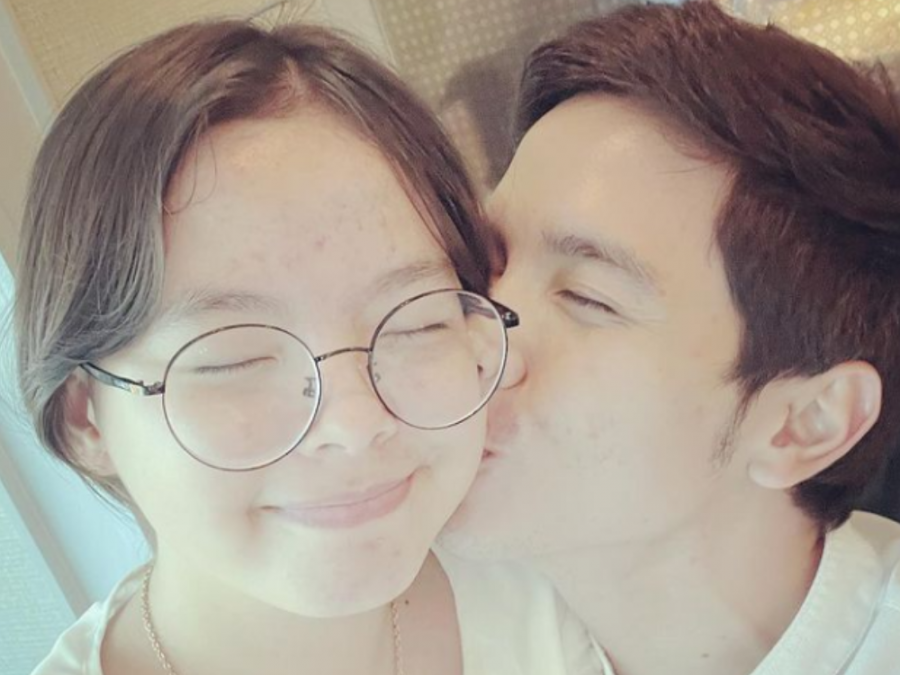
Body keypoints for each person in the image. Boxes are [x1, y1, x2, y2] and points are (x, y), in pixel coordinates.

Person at [18, 19, 599, 675]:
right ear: (85, 416)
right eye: (235, 360)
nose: (354, 425)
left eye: (415, 325)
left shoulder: (571, 591)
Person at [441, 2, 900, 674]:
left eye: (586, 297)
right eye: (488, 265)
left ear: (805, 423)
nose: (475, 333)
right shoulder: (412, 616)